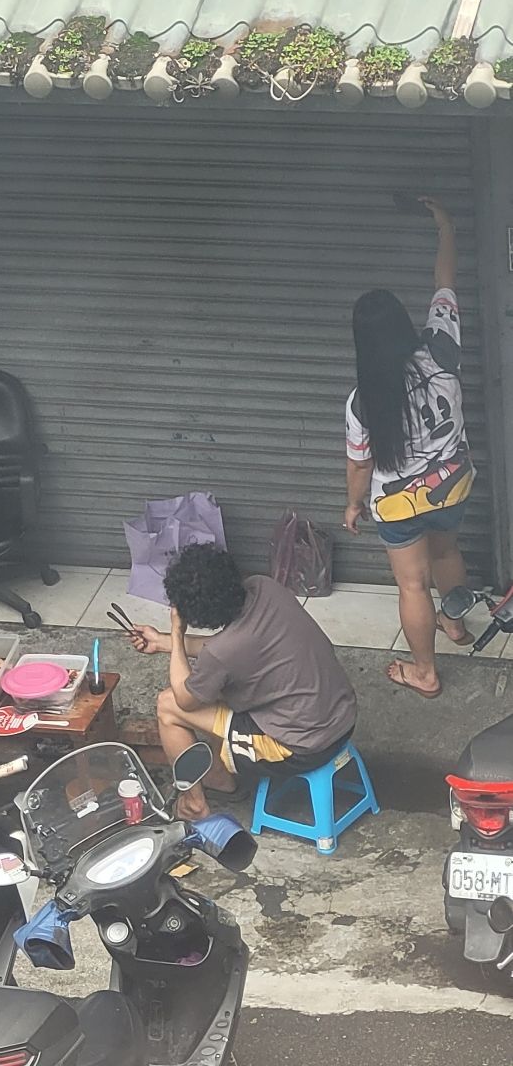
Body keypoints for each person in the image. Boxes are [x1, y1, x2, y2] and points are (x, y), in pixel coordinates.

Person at [344, 196, 474, 699]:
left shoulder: (363, 401)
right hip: (454, 484)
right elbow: (445, 283)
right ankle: (455, 626)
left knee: (412, 584)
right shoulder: (442, 347)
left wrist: (353, 504)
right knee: (447, 549)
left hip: (399, 504)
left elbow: (360, 465)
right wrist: (446, 227)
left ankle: (425, 672)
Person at [130, 544, 357, 821]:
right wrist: (161, 642)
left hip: (301, 747)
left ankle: (193, 804)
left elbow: (184, 699)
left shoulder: (223, 652)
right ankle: (219, 776)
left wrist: (176, 634)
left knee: (168, 706)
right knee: (217, 690)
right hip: (341, 715)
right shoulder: (265, 588)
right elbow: (226, 650)